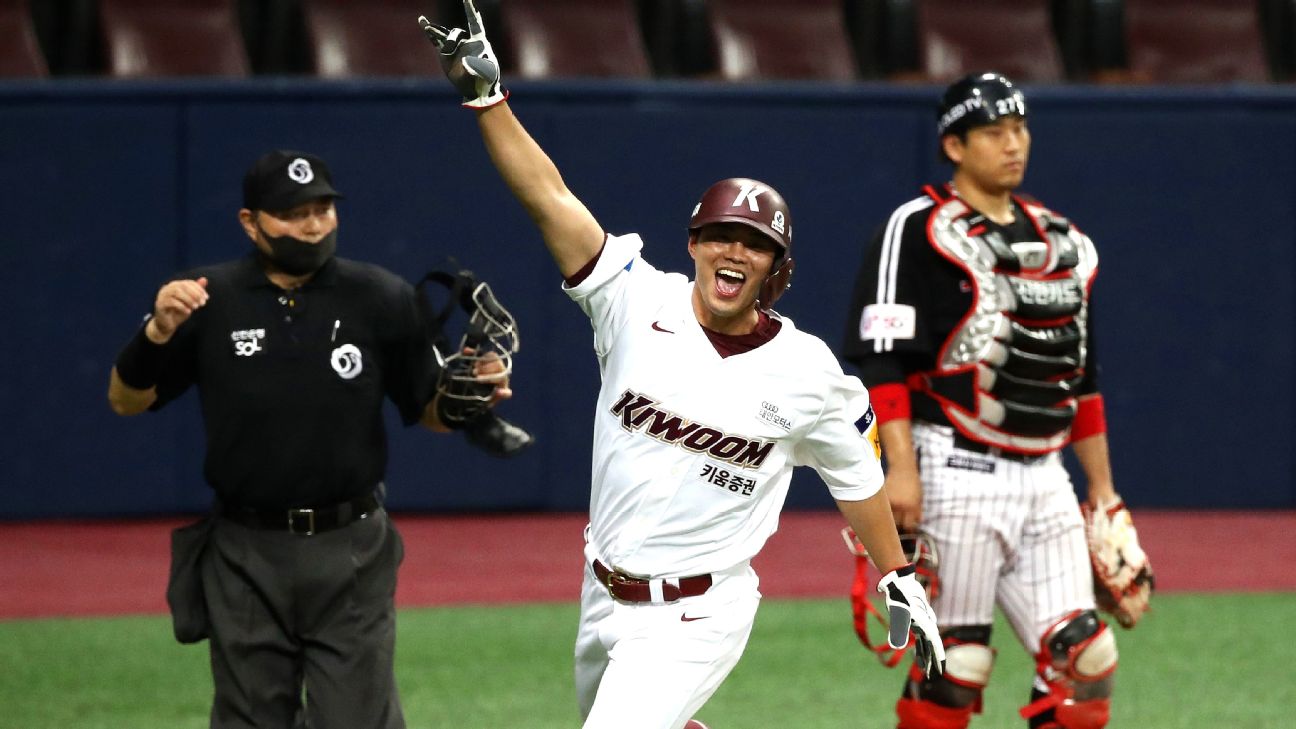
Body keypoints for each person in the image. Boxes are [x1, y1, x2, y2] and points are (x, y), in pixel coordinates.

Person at [416, 4, 944, 728]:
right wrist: (487, 100)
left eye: (754, 244)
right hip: (601, 590)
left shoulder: (810, 373)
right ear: (693, 243)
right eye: (720, 235)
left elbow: (857, 479)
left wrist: (895, 570)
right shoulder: (633, 299)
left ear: (776, 270)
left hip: (700, 610)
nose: (734, 252)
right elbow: (550, 199)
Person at [107, 148, 512, 729]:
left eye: (323, 208)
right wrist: (157, 331)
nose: (314, 224)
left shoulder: (380, 296)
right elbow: (127, 400)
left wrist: (469, 395)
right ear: (251, 222)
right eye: (294, 212)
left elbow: (427, 410)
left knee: (357, 721)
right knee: (251, 720)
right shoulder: (206, 298)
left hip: (351, 546)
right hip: (244, 550)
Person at [841, 72, 1153, 729]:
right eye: (993, 132)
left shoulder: (1062, 242)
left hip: (1046, 476)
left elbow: (1081, 379)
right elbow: (883, 359)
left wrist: (1104, 494)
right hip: (953, 464)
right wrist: (899, 469)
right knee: (955, 667)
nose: (1013, 143)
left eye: (1020, 128)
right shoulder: (916, 229)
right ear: (954, 145)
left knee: (1086, 655)